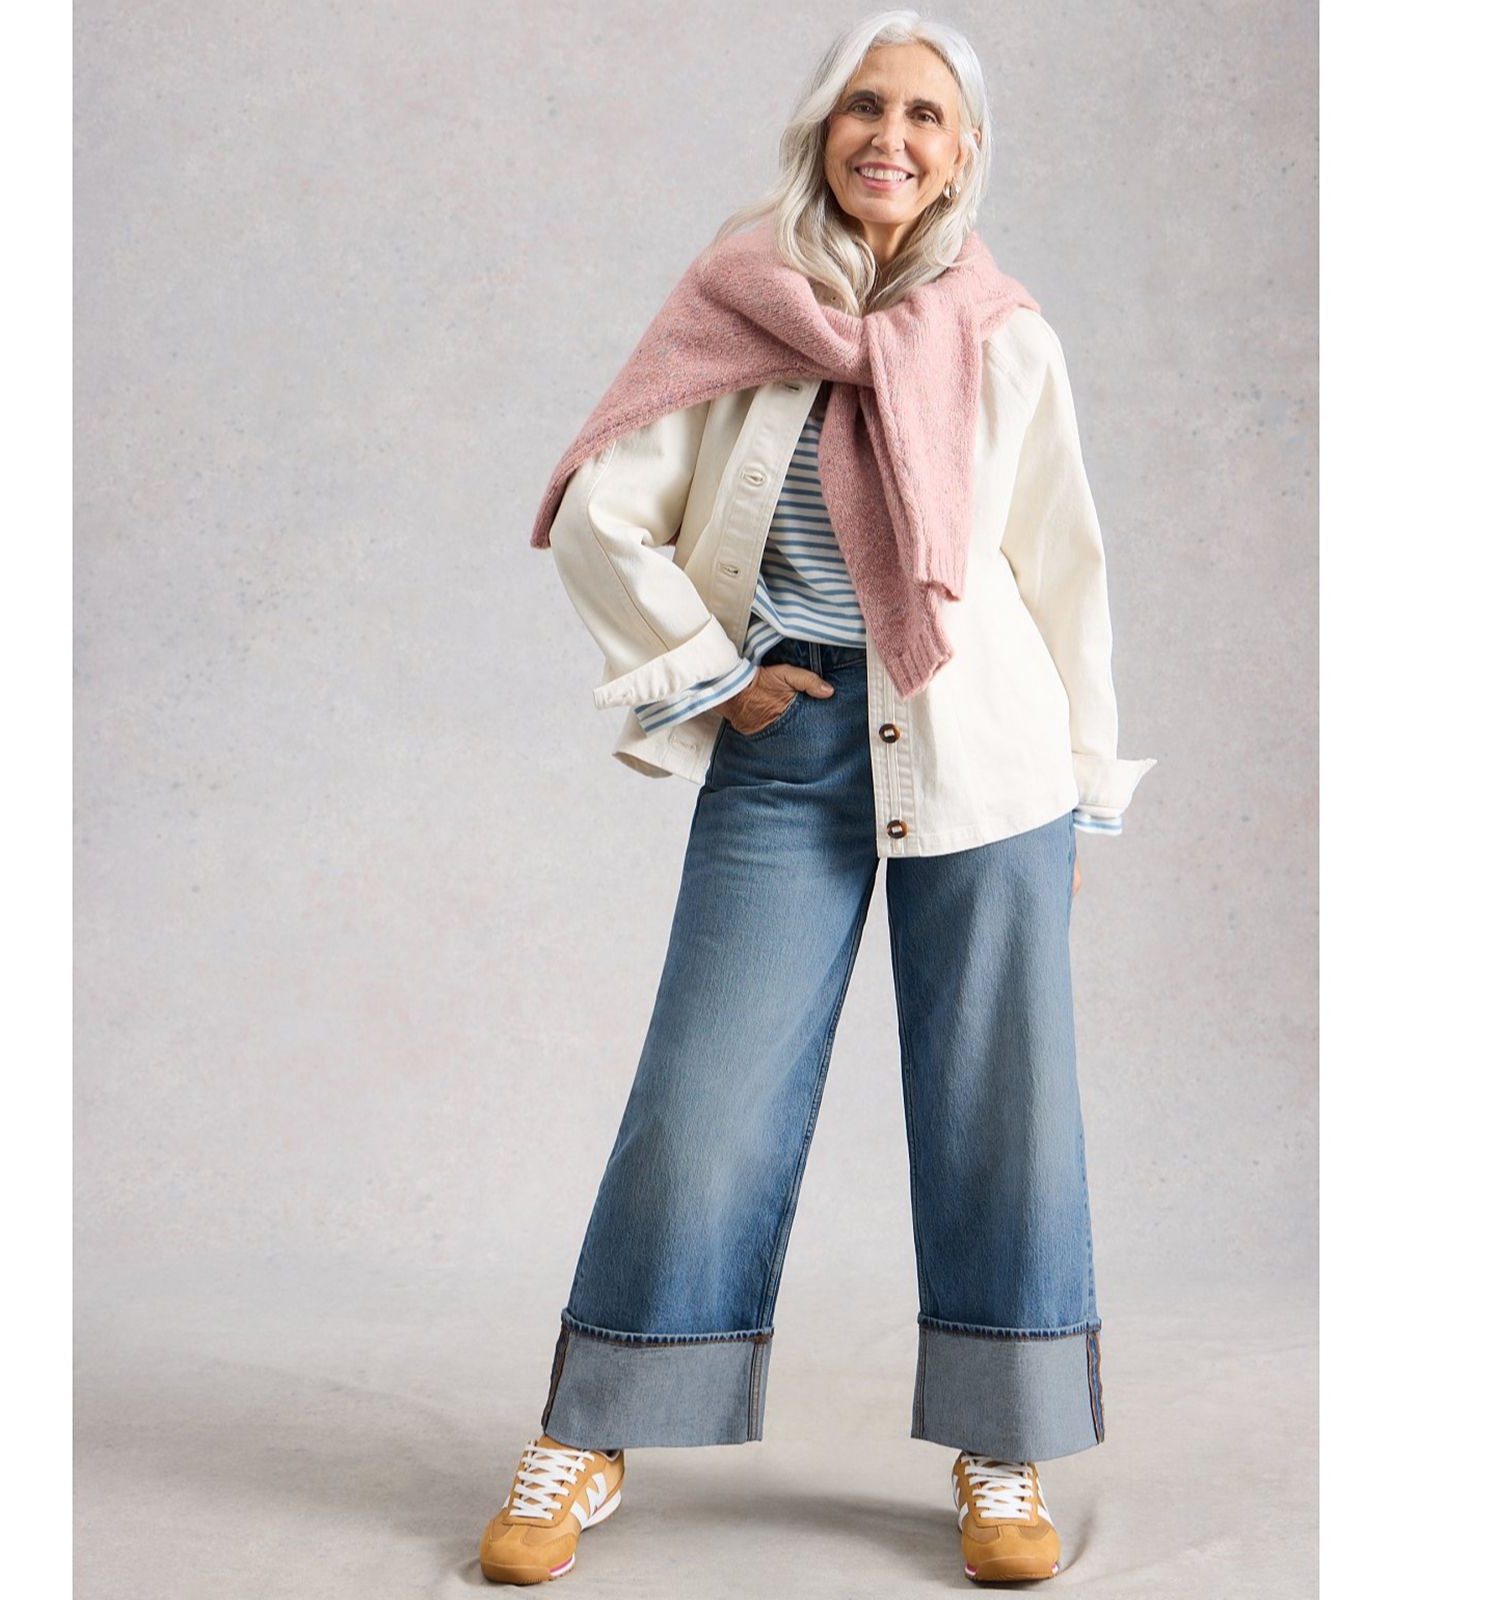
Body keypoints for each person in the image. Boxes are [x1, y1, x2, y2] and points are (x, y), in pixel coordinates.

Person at [478, 8, 1158, 1587]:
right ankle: (594, 1428)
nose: (890, 138)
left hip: (982, 750)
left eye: (924, 114)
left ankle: (1003, 1445)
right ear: (820, 127)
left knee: (1002, 1106)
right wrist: (713, 673)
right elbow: (604, 511)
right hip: (791, 747)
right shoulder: (742, 302)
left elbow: (1063, 570)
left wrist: (1080, 785)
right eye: (865, 106)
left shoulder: (1005, 335)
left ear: (963, 153)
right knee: (703, 1096)